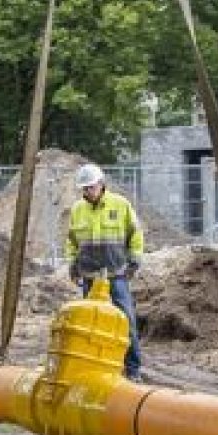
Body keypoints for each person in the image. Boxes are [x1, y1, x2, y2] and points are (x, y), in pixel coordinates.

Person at [65, 162, 145, 380]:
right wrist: (72, 264)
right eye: (84, 188)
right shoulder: (77, 210)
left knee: (125, 321)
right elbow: (72, 241)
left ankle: (133, 369)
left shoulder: (120, 205)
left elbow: (135, 233)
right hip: (89, 276)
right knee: (91, 324)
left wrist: (135, 258)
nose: (87, 192)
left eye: (90, 187)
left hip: (116, 274)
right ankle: (95, 368)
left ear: (101, 184)